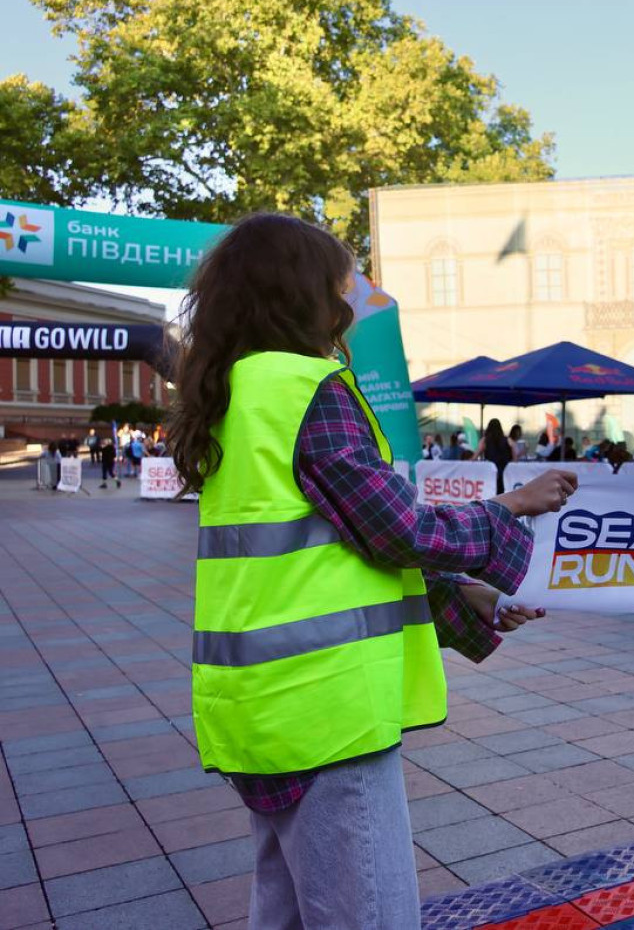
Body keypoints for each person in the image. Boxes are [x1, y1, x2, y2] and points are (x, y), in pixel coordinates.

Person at [169, 213, 578, 928]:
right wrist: (510, 506)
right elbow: (397, 530)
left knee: (287, 909)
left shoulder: (232, 392)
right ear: (302, 294)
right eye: (339, 286)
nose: (348, 304)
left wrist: (463, 597)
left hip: (258, 701)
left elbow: (333, 546)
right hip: (329, 710)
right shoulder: (309, 388)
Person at [480, 418, 511, 489]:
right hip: (504, 470)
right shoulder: (507, 440)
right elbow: (514, 453)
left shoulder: (485, 440)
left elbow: (477, 453)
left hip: (490, 471)